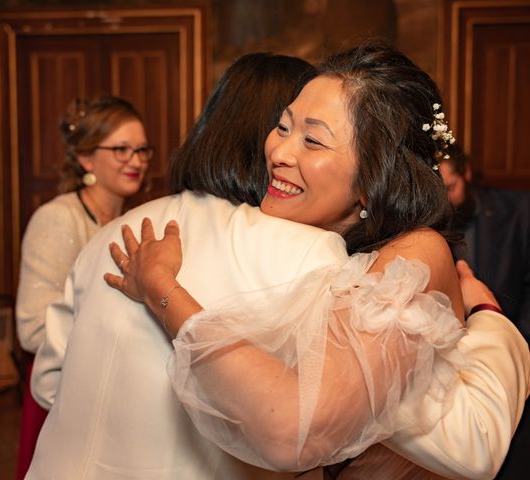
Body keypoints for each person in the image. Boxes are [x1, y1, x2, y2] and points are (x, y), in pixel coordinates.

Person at [28, 51, 528, 480]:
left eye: (312, 140)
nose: (279, 152)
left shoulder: (122, 231)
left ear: (370, 180)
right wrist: (490, 322)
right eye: (283, 126)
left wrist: (490, 322)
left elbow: (48, 383)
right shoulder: (313, 255)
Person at [14, 96, 151, 479]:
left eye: (141, 150)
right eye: (121, 150)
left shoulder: (134, 219)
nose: (136, 161)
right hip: (59, 387)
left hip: (108, 384)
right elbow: (32, 330)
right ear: (86, 158)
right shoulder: (58, 219)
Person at [439, 144, 530, 479]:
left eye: (451, 188)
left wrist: (512, 348)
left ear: (467, 175)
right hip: (452, 373)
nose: (446, 200)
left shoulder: (519, 211)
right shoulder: (430, 222)